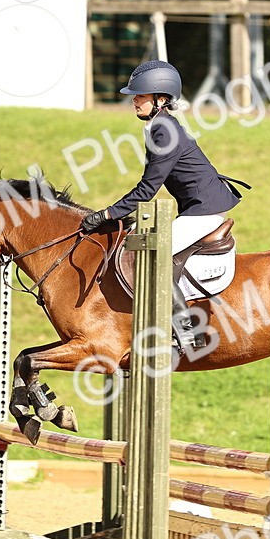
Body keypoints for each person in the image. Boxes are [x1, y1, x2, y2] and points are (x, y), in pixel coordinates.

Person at [79, 60, 247, 350]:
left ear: (161, 98)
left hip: (204, 210)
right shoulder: (160, 127)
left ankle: (187, 333)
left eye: (140, 95)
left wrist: (107, 214)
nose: (134, 100)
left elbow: (147, 189)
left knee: (156, 257)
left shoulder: (165, 132)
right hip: (198, 207)